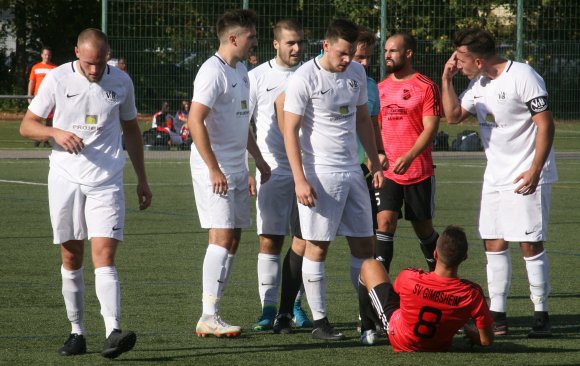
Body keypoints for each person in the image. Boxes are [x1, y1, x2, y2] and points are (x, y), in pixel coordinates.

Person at [19, 28, 152, 358]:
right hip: (65, 177)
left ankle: (113, 332)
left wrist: (142, 179)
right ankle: (77, 332)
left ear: (108, 55)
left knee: (104, 255)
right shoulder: (57, 79)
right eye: (89, 62)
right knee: (71, 256)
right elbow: (27, 125)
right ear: (77, 52)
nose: (94, 70)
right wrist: (54, 132)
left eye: (100, 62)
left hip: (106, 179)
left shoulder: (121, 81)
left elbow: (132, 131)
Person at [441, 27, 557, 338]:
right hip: (494, 176)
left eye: (459, 58)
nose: (455, 61)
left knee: (529, 243)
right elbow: (452, 116)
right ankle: (498, 314)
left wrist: (535, 170)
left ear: (477, 60)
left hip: (526, 173)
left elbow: (545, 124)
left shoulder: (523, 75)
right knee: (493, 242)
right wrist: (447, 80)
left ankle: (541, 314)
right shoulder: (478, 84)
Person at [283, 19, 384, 341]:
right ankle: (320, 322)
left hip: (353, 171)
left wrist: (373, 157)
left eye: (352, 53)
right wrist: (299, 179)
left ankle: (365, 319)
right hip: (319, 174)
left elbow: (362, 119)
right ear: (326, 45)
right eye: (342, 53)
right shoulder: (304, 78)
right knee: (317, 247)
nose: (348, 60)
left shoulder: (356, 73)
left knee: (365, 244)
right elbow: (290, 131)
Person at [188, 9, 271, 338]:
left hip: (236, 167)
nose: (255, 40)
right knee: (222, 237)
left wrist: (258, 162)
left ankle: (214, 311)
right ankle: (208, 314)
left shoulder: (242, 71)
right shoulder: (211, 72)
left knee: (233, 239)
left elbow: (241, 124)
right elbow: (195, 120)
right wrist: (213, 168)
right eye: (250, 36)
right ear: (233, 38)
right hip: (215, 168)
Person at [248, 18, 312, 332]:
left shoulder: (313, 72)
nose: (297, 48)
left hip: (309, 170)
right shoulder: (256, 77)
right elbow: (241, 124)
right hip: (272, 171)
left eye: (300, 42)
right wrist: (252, 166)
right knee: (270, 240)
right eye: (290, 43)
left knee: (306, 240)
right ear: (275, 44)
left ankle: (294, 304)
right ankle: (268, 306)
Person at [358, 225, 494, 350]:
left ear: (435, 254)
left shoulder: (410, 277)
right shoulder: (472, 294)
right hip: (439, 347)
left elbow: (396, 292)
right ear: (465, 257)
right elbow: (486, 340)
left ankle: (367, 328)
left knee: (369, 265)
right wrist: (471, 335)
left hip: (399, 338)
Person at [374, 33, 443, 274]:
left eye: (393, 51)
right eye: (386, 51)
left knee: (423, 229)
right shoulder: (379, 89)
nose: (387, 55)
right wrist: (379, 153)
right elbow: (376, 127)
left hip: (418, 171)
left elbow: (431, 128)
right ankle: (380, 287)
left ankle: (439, 277)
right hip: (388, 173)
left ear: (408, 53)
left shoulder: (426, 87)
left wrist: (410, 155)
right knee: (384, 222)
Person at [28, 46, 57, 147]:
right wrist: (29, 95)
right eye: (45, 54)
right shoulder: (36, 67)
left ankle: (45, 141)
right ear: (41, 55)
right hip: (38, 98)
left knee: (49, 120)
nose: (47, 56)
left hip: (50, 98)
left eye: (48, 54)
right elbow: (31, 82)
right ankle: (38, 139)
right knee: (37, 119)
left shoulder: (54, 68)